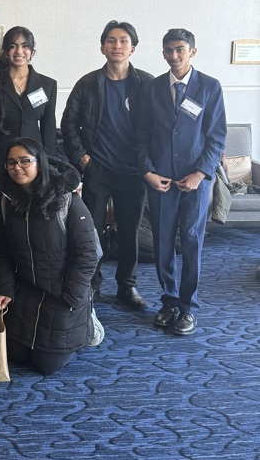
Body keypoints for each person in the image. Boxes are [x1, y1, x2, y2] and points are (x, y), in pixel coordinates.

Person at [137, 29, 226, 335]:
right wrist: (148, 171)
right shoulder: (153, 88)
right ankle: (169, 301)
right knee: (162, 244)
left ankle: (188, 307)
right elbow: (142, 136)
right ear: (162, 53)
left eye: (179, 50)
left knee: (191, 242)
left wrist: (200, 174)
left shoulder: (210, 87)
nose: (173, 56)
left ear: (192, 52)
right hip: (161, 181)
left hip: (195, 182)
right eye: (168, 50)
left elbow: (216, 139)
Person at [61, 20, 153, 308]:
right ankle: (93, 283)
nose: (117, 45)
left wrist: (148, 163)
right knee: (91, 231)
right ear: (102, 47)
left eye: (123, 41)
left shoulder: (147, 84)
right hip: (98, 169)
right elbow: (69, 123)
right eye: (111, 41)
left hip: (133, 171)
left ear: (133, 48)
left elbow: (158, 126)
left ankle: (127, 286)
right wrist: (81, 158)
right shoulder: (88, 83)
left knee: (129, 232)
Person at [0, 138, 102, 375]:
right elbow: (1, 251)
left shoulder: (66, 200)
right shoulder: (7, 201)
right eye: (11, 163)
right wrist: (5, 288)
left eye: (25, 161)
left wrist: (72, 296)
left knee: (46, 366)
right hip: (28, 289)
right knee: (16, 356)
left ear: (40, 164)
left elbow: (87, 254)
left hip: (63, 292)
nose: (17, 168)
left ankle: (89, 322)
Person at [0, 26, 57, 294]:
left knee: (30, 230)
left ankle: (29, 289)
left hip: (32, 171)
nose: (19, 51)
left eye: (25, 46)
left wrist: (50, 170)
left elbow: (49, 131)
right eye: (13, 46)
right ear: (5, 50)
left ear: (32, 50)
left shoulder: (47, 84)